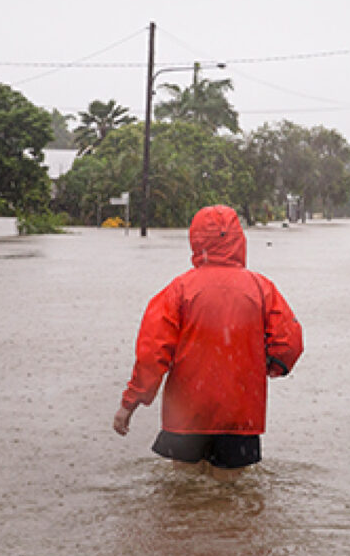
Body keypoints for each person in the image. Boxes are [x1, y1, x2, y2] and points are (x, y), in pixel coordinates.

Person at [113, 205, 303, 480]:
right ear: (239, 239)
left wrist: (128, 405)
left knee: (185, 493)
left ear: (196, 240)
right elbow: (288, 343)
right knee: (230, 496)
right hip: (240, 416)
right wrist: (271, 366)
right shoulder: (262, 289)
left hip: (186, 416)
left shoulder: (178, 290)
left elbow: (152, 353)